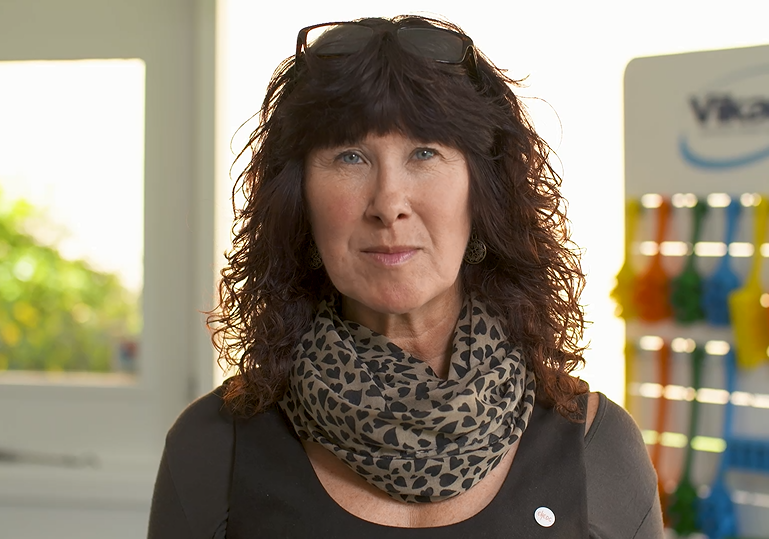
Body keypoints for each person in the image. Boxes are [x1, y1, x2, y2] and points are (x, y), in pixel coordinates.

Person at [148, 15, 662, 538]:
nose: (388, 202)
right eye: (350, 156)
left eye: (424, 152)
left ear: (482, 194)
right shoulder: (211, 449)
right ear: (299, 201)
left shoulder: (598, 450)